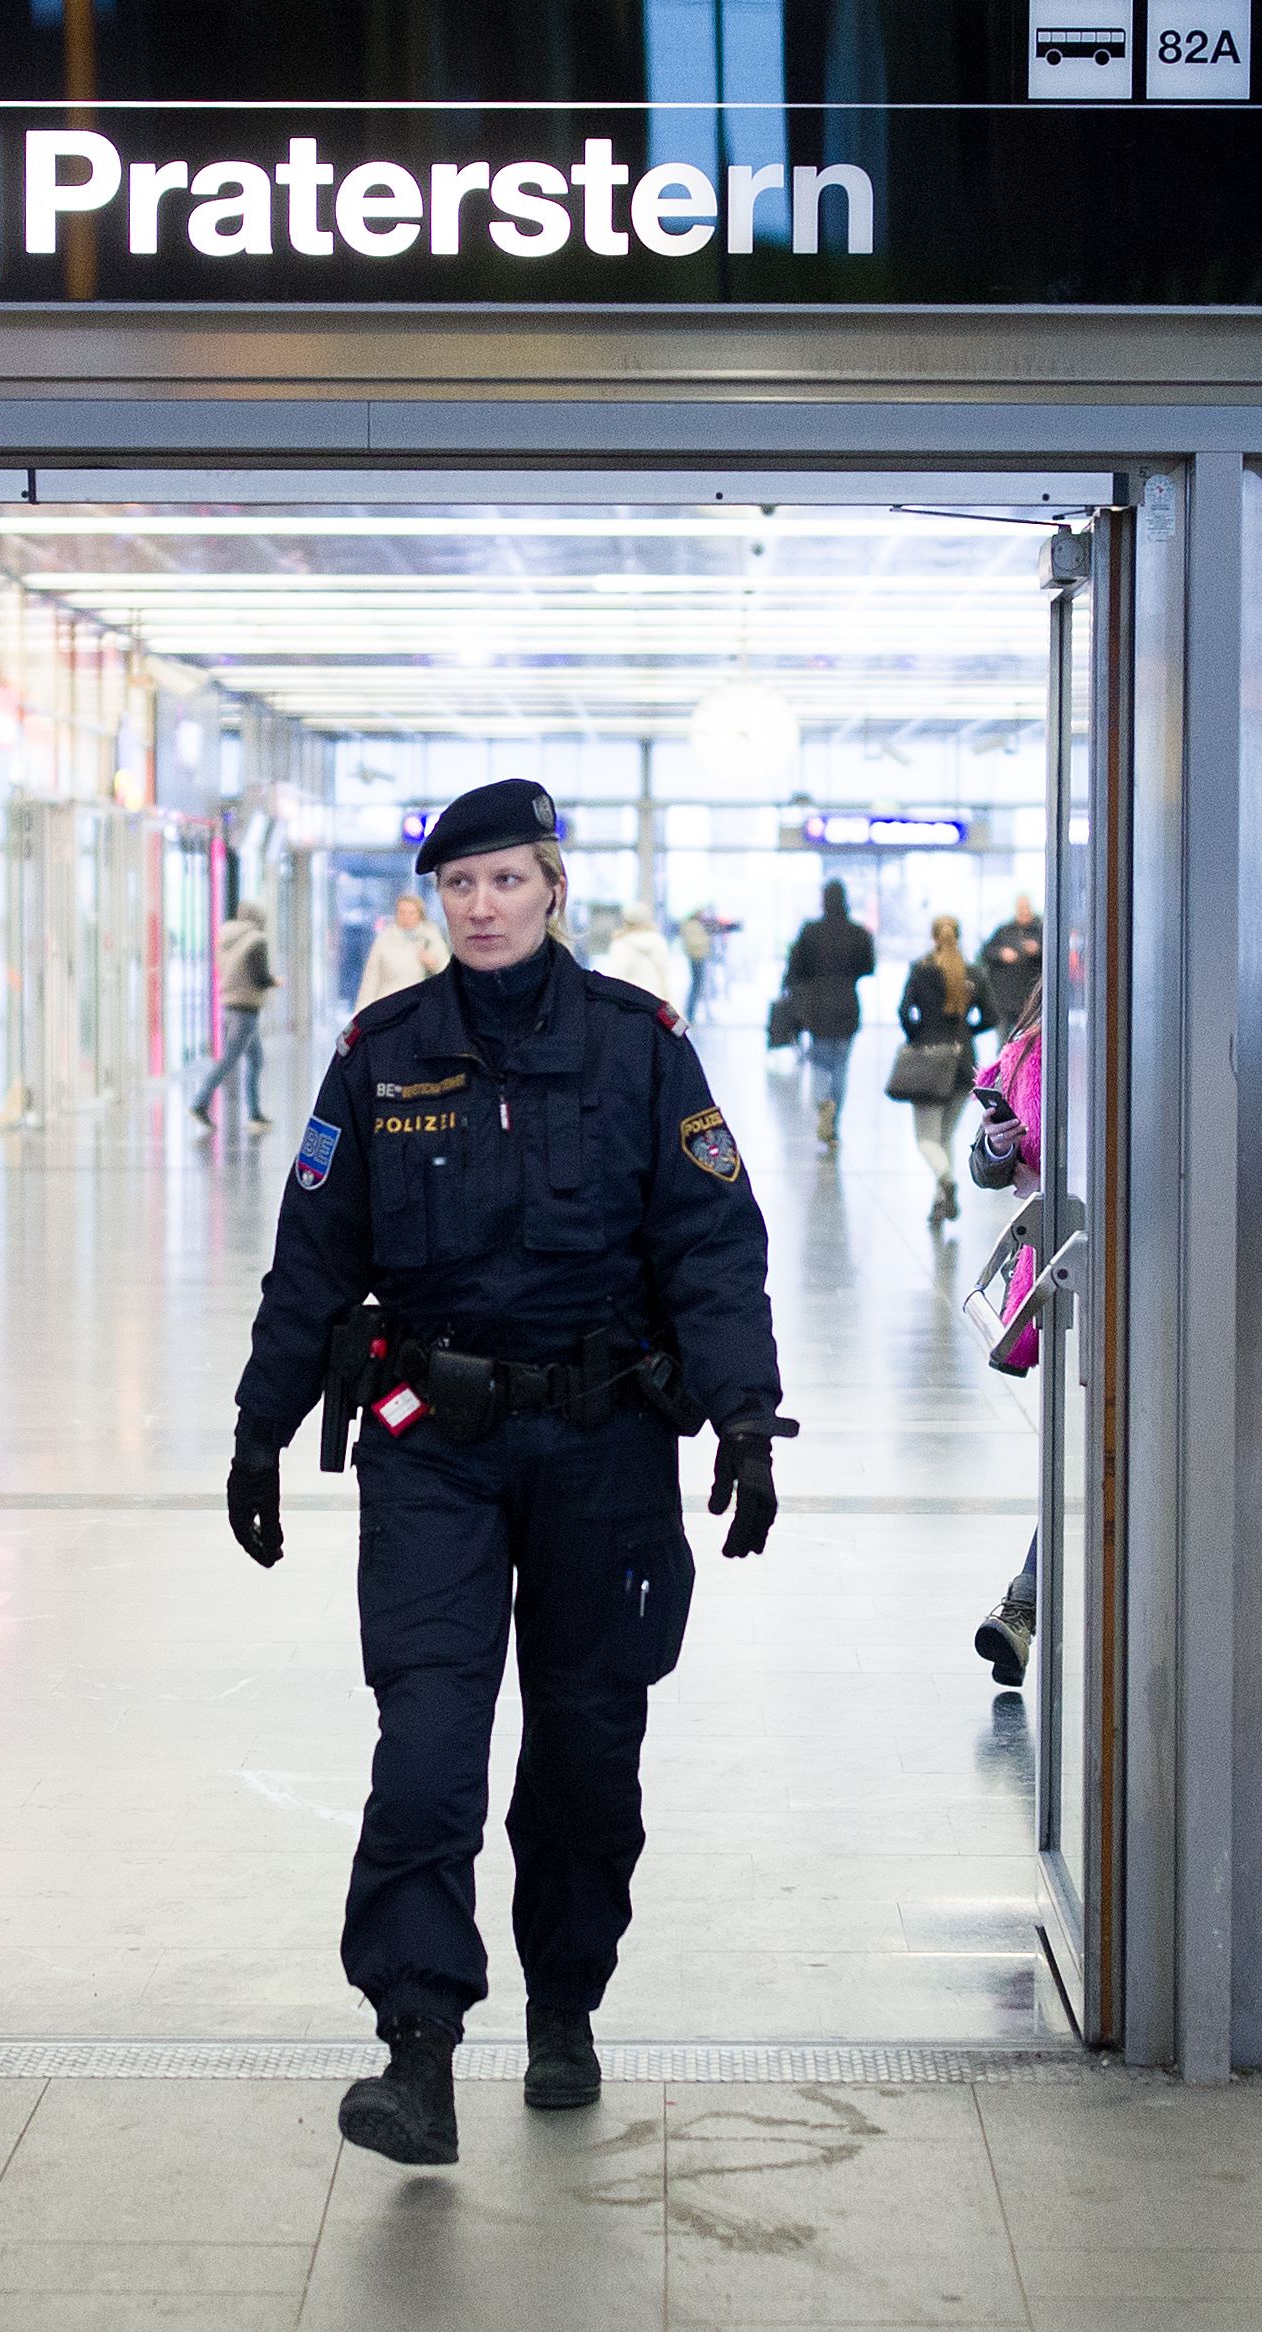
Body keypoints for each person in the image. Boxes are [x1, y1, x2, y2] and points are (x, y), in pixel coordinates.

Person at [225, 777, 788, 2171]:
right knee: (426, 1741)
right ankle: (417, 2046)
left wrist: (746, 1419)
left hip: (604, 1447)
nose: (481, 908)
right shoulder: (380, 1056)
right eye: (457, 887)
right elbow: (313, 1260)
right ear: (436, 904)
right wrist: (258, 1427)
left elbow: (713, 1248)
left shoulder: (641, 1048)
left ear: (551, 889)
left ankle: (566, 2001)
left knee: (588, 1752)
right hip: (434, 1447)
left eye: (506, 883)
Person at [965, 993, 1049, 1686]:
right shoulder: (1033, 1049)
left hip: (1152, 1275)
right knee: (1090, 1449)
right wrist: (999, 1143)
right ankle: (1023, 1604)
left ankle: (1023, 1604)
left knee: (1094, 1452)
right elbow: (988, 1163)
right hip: (1066, 1273)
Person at [897, 915, 988, 1229]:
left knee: (926, 1139)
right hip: (963, 1063)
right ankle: (939, 1203)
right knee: (945, 1136)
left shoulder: (921, 970)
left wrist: (918, 1035)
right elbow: (989, 1016)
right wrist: (966, 1032)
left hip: (929, 1062)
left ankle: (946, 1182)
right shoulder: (974, 972)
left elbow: (904, 1011)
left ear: (933, 937)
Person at [780, 880, 875, 1148]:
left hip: (817, 1006)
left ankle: (823, 1104)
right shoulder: (858, 933)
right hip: (847, 1004)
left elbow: (795, 968)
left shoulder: (810, 932)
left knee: (820, 1064)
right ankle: (834, 1121)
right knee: (841, 1065)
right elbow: (868, 967)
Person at [191, 899, 276, 1128]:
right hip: (246, 1008)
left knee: (256, 1060)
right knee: (230, 1059)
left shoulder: (225, 937)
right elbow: (259, 977)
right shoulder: (256, 940)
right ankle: (200, 1102)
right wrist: (274, 981)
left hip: (230, 1003)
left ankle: (255, 1113)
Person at [356, 893, 450, 1015]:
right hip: (388, 1007)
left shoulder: (431, 938)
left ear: (420, 915)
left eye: (411, 913)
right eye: (402, 912)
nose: (406, 917)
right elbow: (371, 978)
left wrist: (433, 963)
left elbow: (447, 973)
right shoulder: (384, 940)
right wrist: (362, 1013)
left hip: (420, 1009)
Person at [975, 894, 1045, 1031]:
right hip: (1003, 999)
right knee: (1004, 1043)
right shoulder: (1004, 930)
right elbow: (985, 953)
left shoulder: (1041, 930)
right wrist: (1001, 954)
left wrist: (1037, 950)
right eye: (1020, 908)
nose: (1024, 912)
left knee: (1029, 1041)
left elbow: (1055, 957)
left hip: (1031, 1000)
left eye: (1026, 908)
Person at [600, 910, 686, 1008]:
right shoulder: (658, 941)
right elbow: (665, 975)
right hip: (657, 1000)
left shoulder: (621, 944)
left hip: (630, 1002)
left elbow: (616, 976)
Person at [677, 907, 718, 1022]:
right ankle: (690, 1013)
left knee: (698, 985)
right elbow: (695, 942)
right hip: (696, 957)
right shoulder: (692, 926)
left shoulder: (693, 925)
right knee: (696, 985)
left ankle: (691, 1014)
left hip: (697, 956)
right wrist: (707, 939)